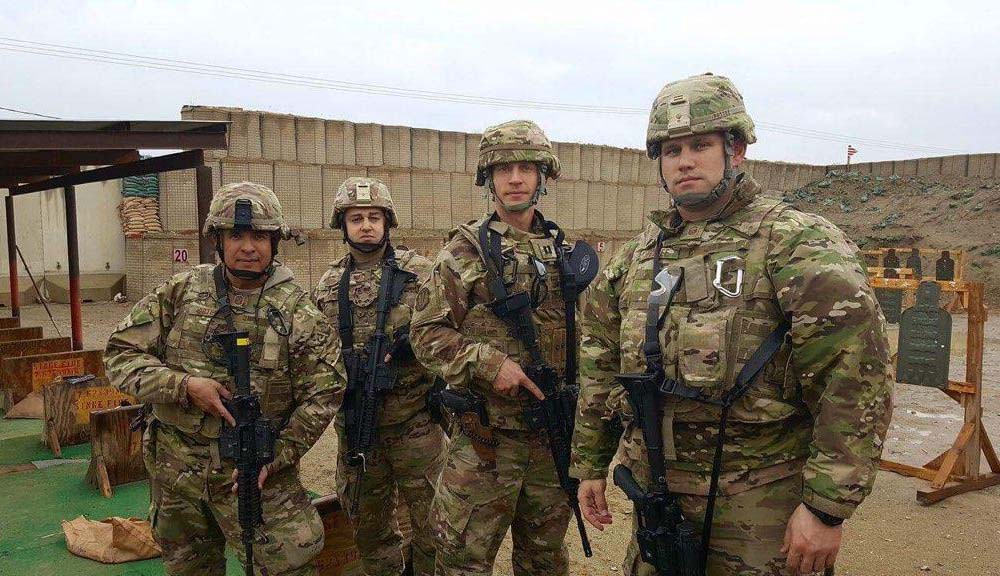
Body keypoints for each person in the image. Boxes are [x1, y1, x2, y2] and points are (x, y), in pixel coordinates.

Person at [570, 73, 893, 576]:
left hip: (762, 506)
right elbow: (600, 359)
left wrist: (827, 506)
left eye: (701, 145)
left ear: (735, 150)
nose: (685, 161)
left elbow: (855, 378)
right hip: (659, 500)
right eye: (671, 150)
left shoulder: (795, 243)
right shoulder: (638, 257)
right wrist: (589, 461)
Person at [105, 181, 344, 575]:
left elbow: (327, 391)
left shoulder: (298, 312)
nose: (248, 246)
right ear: (217, 239)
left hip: (258, 476)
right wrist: (183, 386)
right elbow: (119, 354)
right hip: (178, 475)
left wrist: (279, 453)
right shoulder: (181, 292)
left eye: (258, 236)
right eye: (236, 235)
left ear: (274, 242)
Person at [410, 120, 582, 576]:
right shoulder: (462, 253)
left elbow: (593, 341)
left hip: (551, 439)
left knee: (543, 559)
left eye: (526, 167)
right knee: (462, 559)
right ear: (489, 178)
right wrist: (489, 364)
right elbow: (426, 335)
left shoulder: (566, 254)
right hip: (485, 440)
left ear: (543, 176)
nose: (515, 178)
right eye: (504, 168)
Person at [311, 176, 447, 576]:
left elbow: (448, 332)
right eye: (356, 218)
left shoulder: (421, 272)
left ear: (388, 222)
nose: (366, 225)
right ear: (343, 226)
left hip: (415, 425)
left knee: (434, 525)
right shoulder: (328, 284)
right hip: (356, 426)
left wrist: (416, 343)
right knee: (368, 528)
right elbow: (317, 353)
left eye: (373, 217)